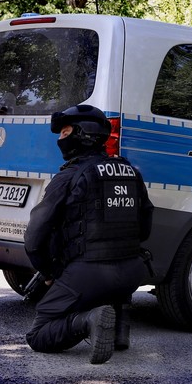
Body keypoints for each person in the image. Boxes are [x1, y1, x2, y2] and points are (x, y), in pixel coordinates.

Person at [24, 104, 153, 364]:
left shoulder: (69, 176)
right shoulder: (130, 172)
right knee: (115, 272)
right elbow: (145, 225)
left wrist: (49, 273)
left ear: (83, 134)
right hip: (132, 273)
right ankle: (119, 331)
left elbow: (34, 237)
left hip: (88, 273)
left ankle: (89, 322)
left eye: (66, 131)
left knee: (38, 335)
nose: (60, 138)